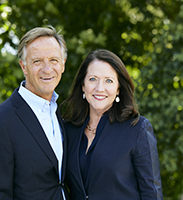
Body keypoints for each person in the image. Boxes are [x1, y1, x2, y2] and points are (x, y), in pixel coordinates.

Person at [0, 26, 69, 200]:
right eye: (37, 61)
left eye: (53, 60)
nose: (47, 69)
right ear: (23, 66)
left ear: (63, 64)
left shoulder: (59, 113)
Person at [62, 49, 163, 200]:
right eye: (93, 79)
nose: (99, 88)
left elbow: (151, 193)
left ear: (118, 89)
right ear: (83, 85)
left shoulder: (137, 129)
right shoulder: (68, 129)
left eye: (108, 80)